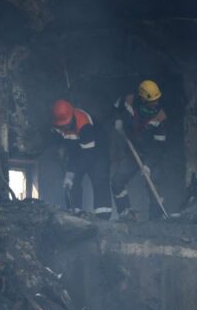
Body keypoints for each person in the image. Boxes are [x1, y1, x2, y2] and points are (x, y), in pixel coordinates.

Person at [111, 79, 167, 220]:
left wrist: (148, 165)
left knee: (153, 183)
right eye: (152, 101)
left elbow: (159, 145)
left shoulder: (160, 117)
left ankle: (156, 220)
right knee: (117, 181)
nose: (155, 103)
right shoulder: (129, 100)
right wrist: (118, 120)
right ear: (142, 98)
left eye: (157, 100)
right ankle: (126, 214)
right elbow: (116, 107)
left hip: (151, 155)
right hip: (133, 151)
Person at [51, 99, 113, 219]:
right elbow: (64, 143)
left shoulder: (84, 124)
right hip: (77, 149)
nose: (65, 126)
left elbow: (88, 155)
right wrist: (60, 148)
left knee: (99, 176)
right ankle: (74, 212)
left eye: (67, 123)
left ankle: (103, 216)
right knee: (71, 180)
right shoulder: (58, 124)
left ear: (72, 115)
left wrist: (71, 172)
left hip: (96, 150)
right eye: (62, 125)